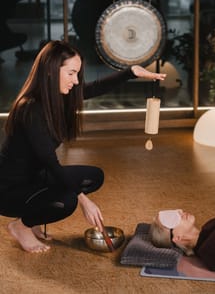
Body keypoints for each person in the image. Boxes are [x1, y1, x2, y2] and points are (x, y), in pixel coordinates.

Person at [0, 40, 166, 253]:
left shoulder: (59, 97)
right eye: (71, 73)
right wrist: (83, 200)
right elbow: (50, 162)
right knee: (67, 200)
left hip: (35, 177)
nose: (76, 81)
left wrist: (131, 72)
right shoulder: (30, 108)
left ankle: (30, 219)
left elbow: (95, 88)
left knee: (94, 176)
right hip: (9, 190)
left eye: (77, 73)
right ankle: (20, 226)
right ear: (50, 71)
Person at [150, 209, 215, 273]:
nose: (181, 212)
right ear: (178, 238)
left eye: (177, 212)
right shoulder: (210, 251)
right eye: (173, 219)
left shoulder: (209, 225)